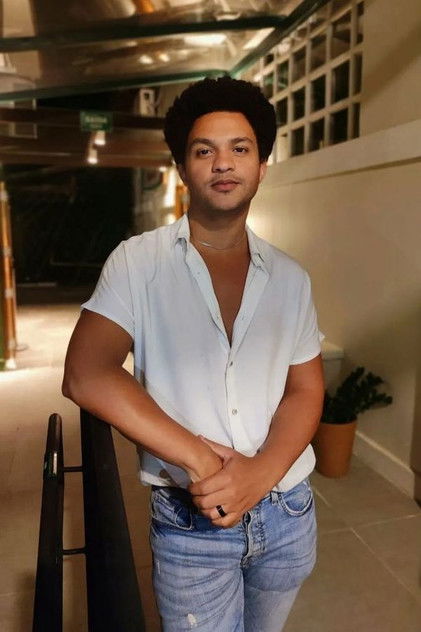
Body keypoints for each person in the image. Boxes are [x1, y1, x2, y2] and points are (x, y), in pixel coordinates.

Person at [62, 75, 324, 632]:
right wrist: (201, 461)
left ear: (262, 166)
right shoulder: (138, 262)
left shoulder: (291, 278)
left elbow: (305, 389)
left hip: (287, 511)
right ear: (183, 168)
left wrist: (260, 474)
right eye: (204, 151)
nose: (223, 163)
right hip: (191, 520)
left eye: (240, 149)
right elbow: (87, 372)